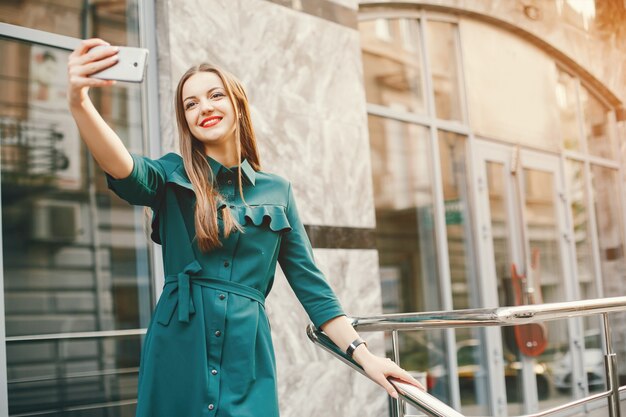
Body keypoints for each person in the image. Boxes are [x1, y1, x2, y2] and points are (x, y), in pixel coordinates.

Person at [67, 38, 424, 417]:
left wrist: (366, 358)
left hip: (246, 355)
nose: (204, 107)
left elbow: (312, 287)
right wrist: (80, 103)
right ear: (185, 119)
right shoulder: (170, 174)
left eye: (215, 95)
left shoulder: (278, 190)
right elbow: (122, 166)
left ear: (237, 103)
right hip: (178, 347)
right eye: (191, 103)